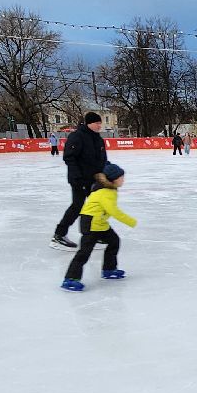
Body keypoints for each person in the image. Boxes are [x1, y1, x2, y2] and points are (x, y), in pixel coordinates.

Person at [61, 163, 136, 291]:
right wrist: (131, 221)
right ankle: (70, 279)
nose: (123, 180)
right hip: (90, 224)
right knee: (84, 252)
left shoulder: (109, 189)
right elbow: (113, 211)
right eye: (121, 177)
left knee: (114, 241)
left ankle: (109, 269)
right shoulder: (105, 192)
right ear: (113, 179)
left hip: (100, 223)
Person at [52, 112, 108, 250]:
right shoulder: (77, 136)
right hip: (79, 180)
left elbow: (101, 159)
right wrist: (77, 177)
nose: (99, 125)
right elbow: (69, 157)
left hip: (93, 179)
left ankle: (93, 234)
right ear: (89, 123)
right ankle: (59, 235)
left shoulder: (98, 139)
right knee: (77, 206)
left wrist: (106, 172)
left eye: (100, 123)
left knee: (98, 206)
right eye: (97, 123)